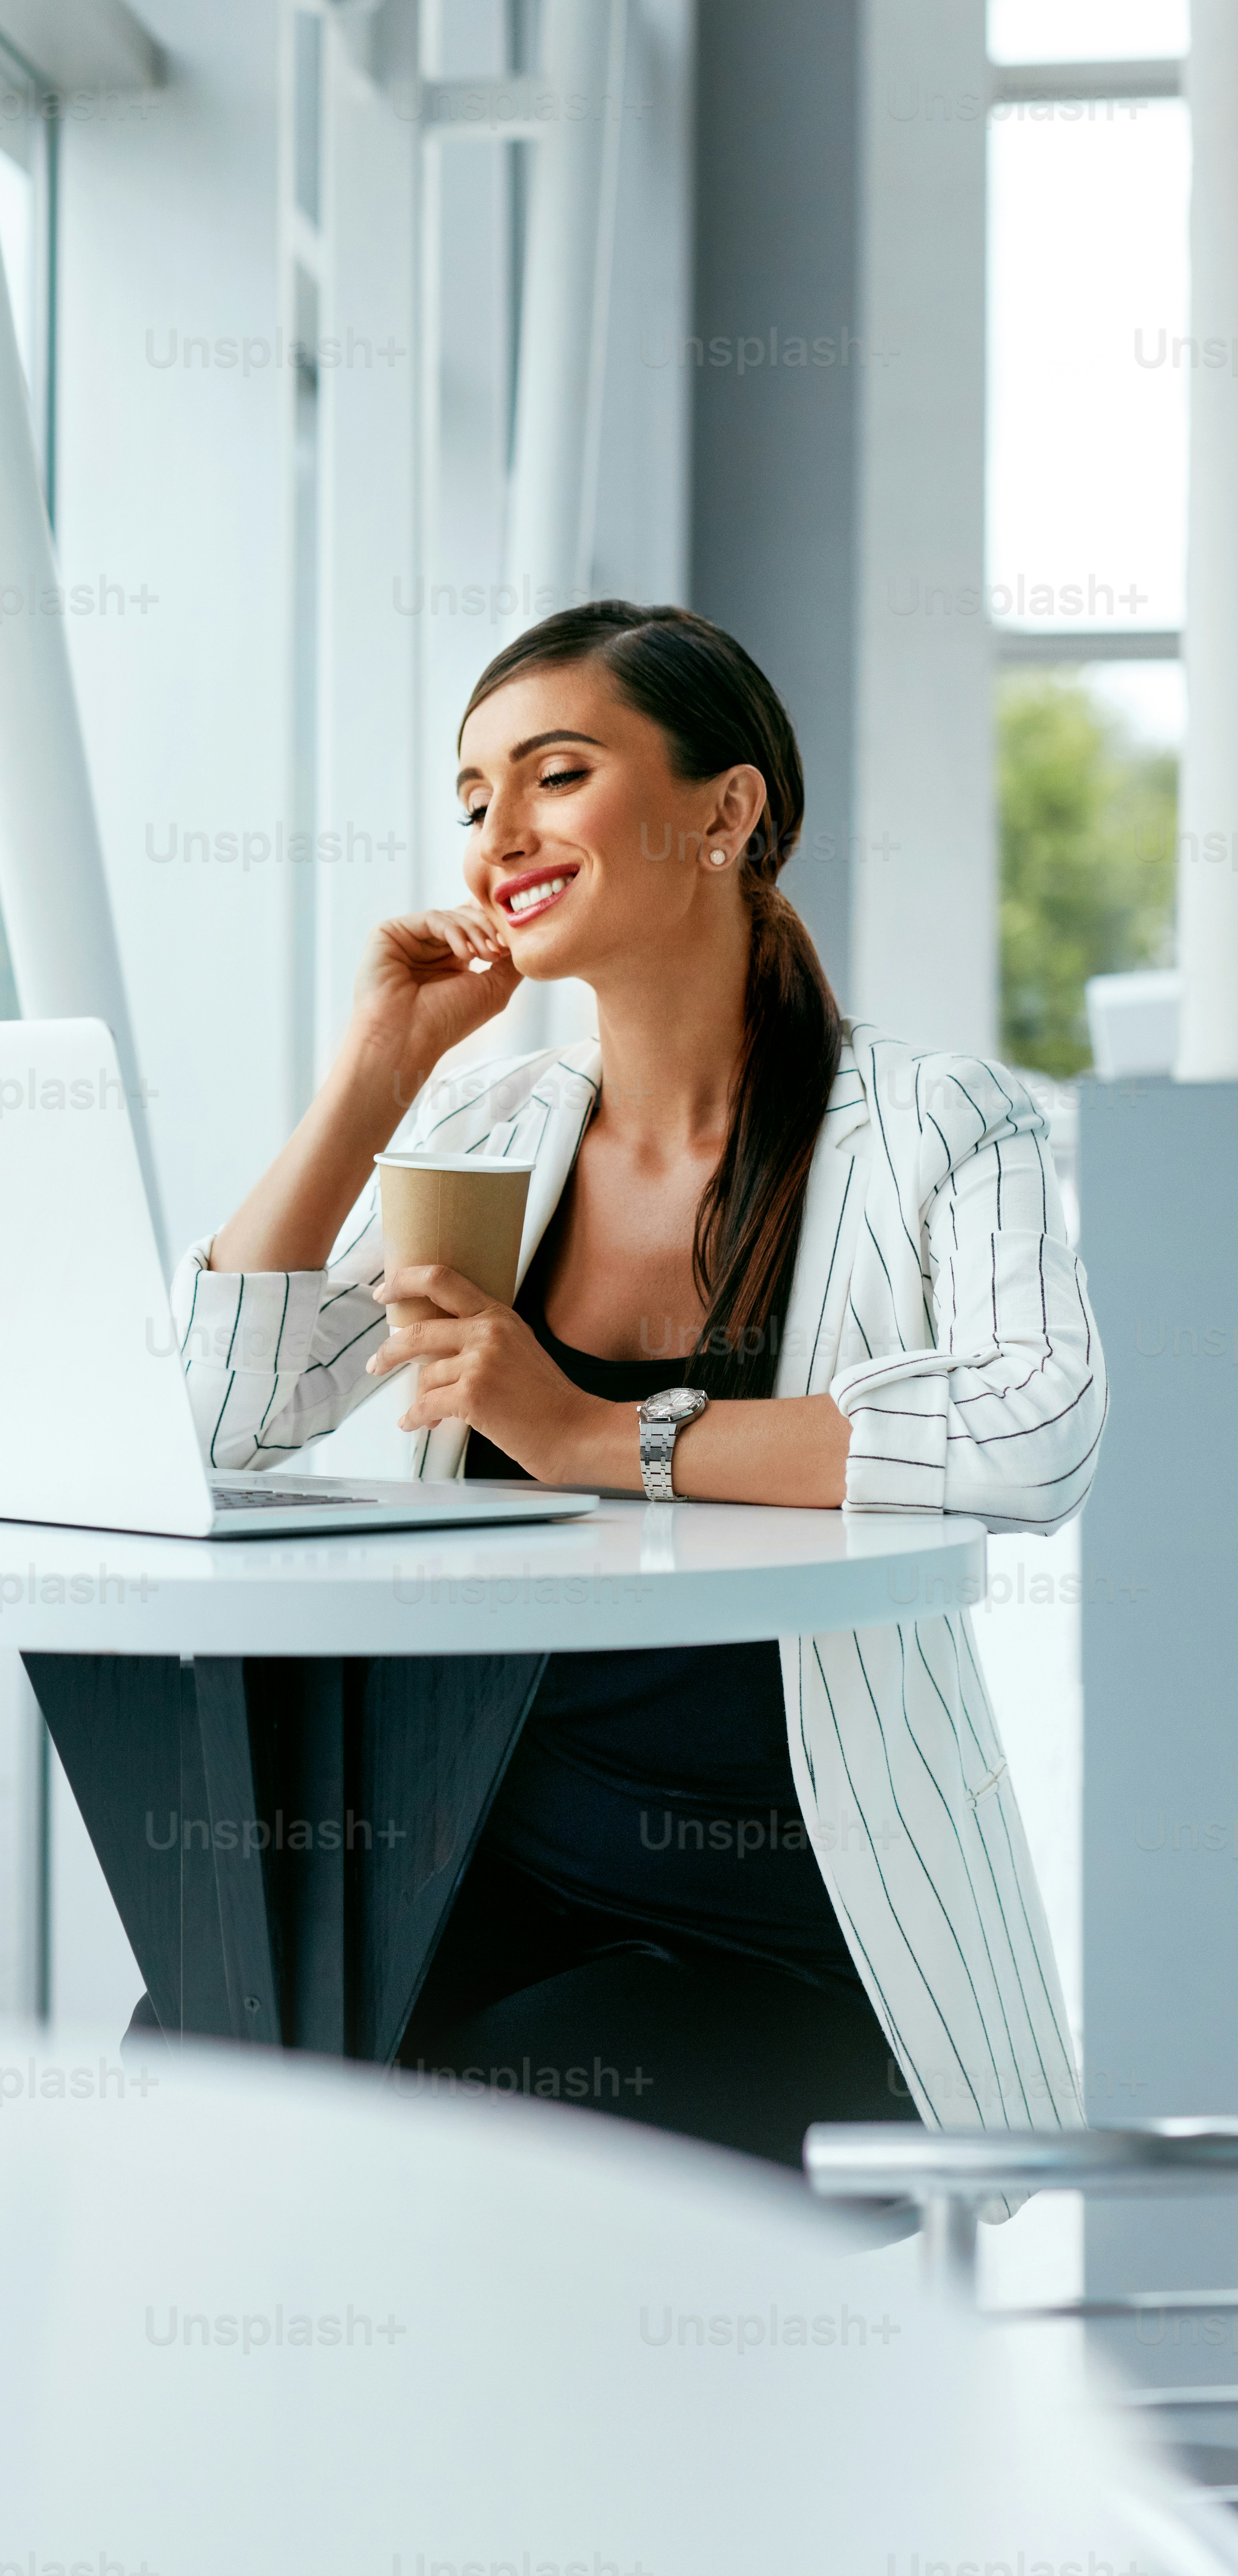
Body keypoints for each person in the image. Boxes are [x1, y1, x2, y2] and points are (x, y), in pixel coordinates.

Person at [176, 601, 1101, 2173]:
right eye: (474, 798)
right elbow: (231, 1414)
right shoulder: (489, 1119)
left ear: (722, 810)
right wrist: (366, 1083)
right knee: (195, 2065)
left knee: (469, 2147)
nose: (498, 834)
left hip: (803, 1942)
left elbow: (1033, 1424)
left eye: (551, 773)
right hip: (482, 1885)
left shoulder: (935, 1121)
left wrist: (594, 1432)